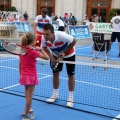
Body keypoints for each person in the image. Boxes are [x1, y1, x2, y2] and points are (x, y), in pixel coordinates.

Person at [41, 23, 77, 107]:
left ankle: (70, 97)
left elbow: (74, 40)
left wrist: (64, 52)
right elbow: (44, 47)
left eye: (47, 34)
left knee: (70, 75)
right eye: (43, 34)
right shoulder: (43, 38)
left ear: (53, 33)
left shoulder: (62, 35)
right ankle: (55, 94)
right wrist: (51, 57)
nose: (45, 36)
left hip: (69, 54)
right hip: (55, 55)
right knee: (55, 74)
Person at [19, 32, 49, 120]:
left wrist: (20, 75)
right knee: (30, 96)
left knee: (26, 92)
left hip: (24, 75)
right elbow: (47, 57)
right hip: (31, 75)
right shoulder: (33, 52)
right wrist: (40, 49)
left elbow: (20, 64)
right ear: (33, 41)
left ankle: (28, 109)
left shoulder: (22, 51)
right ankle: (26, 114)